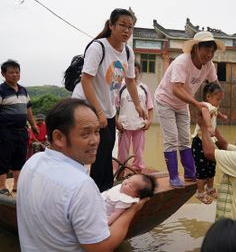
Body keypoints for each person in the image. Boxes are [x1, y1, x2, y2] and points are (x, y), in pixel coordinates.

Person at [17, 98, 147, 252]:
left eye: (97, 132)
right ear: (59, 137)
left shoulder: (32, 162)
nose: (95, 141)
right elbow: (101, 247)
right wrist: (132, 210)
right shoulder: (81, 185)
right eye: (85, 134)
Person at [72, 8, 147, 192]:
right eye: (122, 25)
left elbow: (130, 81)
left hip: (108, 108)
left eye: (130, 27)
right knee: (90, 151)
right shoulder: (99, 47)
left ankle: (102, 191)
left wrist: (138, 105)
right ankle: (89, 190)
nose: (126, 31)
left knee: (106, 150)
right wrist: (97, 112)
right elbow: (86, 80)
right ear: (111, 25)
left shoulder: (128, 52)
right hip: (86, 106)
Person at [154, 31, 225, 188]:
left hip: (182, 104)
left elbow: (215, 85)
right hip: (165, 100)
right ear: (196, 48)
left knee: (185, 139)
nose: (209, 54)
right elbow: (176, 89)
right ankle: (173, 177)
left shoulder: (209, 65)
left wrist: (215, 108)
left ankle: (189, 173)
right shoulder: (182, 62)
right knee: (172, 139)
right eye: (206, 49)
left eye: (212, 51)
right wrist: (196, 103)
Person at [0, 59, 39, 196]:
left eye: (17, 72)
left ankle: (17, 185)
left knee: (19, 157)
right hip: (5, 131)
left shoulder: (23, 90)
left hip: (21, 130)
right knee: (3, 157)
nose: (15, 74)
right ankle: (2, 186)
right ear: (3, 74)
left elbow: (28, 109)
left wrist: (33, 124)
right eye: (11, 72)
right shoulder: (1, 90)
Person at [191, 82, 227, 204]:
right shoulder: (205, 105)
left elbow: (217, 112)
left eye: (221, 100)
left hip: (209, 141)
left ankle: (210, 188)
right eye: (218, 99)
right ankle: (200, 192)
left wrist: (222, 116)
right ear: (208, 97)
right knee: (202, 169)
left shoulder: (213, 107)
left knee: (212, 165)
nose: (219, 102)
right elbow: (205, 113)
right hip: (199, 142)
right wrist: (210, 126)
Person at [116, 61, 153, 172]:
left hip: (140, 125)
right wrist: (117, 123)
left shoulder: (144, 88)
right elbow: (114, 107)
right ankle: (121, 172)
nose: (133, 74)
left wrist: (149, 122)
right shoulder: (120, 87)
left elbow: (150, 107)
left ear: (139, 72)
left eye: (136, 72)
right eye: (131, 71)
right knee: (122, 153)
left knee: (139, 152)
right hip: (124, 126)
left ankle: (138, 171)